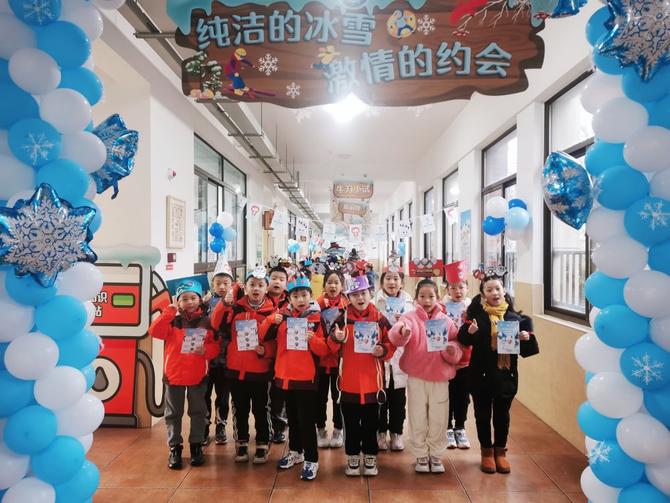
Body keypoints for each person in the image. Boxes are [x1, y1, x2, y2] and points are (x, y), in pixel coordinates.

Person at [458, 265, 539, 475]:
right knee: (482, 414)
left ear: (504, 291)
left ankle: (500, 452)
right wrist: (470, 331)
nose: (494, 293)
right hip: (480, 374)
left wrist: (526, 339)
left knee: (502, 415)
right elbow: (463, 340)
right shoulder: (475, 317)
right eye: (489, 290)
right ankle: (486, 452)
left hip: (505, 375)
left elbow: (528, 351)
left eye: (498, 289)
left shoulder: (517, 319)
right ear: (482, 295)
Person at [388, 279, 463, 474]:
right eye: (422, 296)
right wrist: (403, 332)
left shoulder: (445, 321)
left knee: (439, 417)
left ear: (438, 298)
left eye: (431, 296)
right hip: (416, 376)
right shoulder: (409, 317)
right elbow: (395, 335)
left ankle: (436, 454)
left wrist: (451, 350)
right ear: (416, 298)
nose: (427, 300)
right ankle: (421, 454)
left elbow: (456, 344)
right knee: (417, 415)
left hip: (440, 377)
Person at [260, 273, 329, 481]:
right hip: (285, 376)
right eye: (296, 296)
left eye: (304, 295)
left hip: (306, 379)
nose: (300, 299)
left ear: (310, 296)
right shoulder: (281, 317)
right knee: (292, 418)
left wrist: (313, 340)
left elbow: (325, 350)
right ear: (289, 298)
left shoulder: (317, 320)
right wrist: (270, 320)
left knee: (307, 421)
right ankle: (296, 451)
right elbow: (262, 336)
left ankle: (311, 459)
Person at [149, 280, 219, 470]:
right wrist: (169, 311)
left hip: (198, 376)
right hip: (174, 375)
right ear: (178, 301)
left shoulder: (207, 322)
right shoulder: (172, 320)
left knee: (198, 412)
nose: (189, 302)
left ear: (200, 299)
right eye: (184, 299)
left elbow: (215, 347)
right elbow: (154, 332)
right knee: (173, 414)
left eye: (193, 298)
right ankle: (175, 448)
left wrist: (205, 351)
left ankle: (196, 446)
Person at [329, 274, 395, 477]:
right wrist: (336, 338)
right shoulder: (341, 319)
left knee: (371, 424)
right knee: (350, 424)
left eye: (363, 293)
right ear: (348, 297)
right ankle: (352, 456)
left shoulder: (380, 319)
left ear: (370, 294)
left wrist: (383, 350)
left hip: (373, 384)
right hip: (348, 384)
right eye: (355, 294)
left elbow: (391, 342)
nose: (360, 298)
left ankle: (370, 456)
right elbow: (330, 348)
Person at [211, 266, 276, 465]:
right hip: (236, 369)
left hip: (260, 370)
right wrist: (224, 303)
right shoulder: (234, 308)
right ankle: (241, 442)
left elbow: (276, 342)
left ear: (266, 288)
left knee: (261, 409)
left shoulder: (273, 312)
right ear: (245, 287)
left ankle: (263, 442)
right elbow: (215, 323)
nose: (256, 289)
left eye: (260, 285)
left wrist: (266, 351)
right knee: (239, 409)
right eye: (252, 285)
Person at [373, 261, 413, 452]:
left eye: (396, 279)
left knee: (398, 399)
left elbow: (415, 329)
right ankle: (381, 432)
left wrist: (404, 323)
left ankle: (396, 432)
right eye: (388, 278)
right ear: (382, 282)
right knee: (380, 397)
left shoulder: (410, 303)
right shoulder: (374, 302)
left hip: (400, 357)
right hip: (380, 356)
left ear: (402, 283)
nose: (392, 282)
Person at [442, 260, 473, 450]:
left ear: (467, 288)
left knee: (462, 396)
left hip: (467, 360)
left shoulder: (473, 308)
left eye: (461, 287)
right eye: (453, 287)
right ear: (447, 290)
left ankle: (460, 427)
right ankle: (447, 427)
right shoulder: (441, 307)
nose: (457, 291)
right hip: (445, 359)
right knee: (446, 395)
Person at [315, 269, 348, 449]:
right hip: (320, 361)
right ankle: (320, 429)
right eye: (329, 282)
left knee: (338, 398)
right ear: (324, 285)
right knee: (319, 398)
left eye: (336, 282)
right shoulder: (316, 304)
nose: (333, 286)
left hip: (339, 361)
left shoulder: (347, 305)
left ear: (342, 286)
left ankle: (338, 429)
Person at [203, 262, 235, 446]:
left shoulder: (236, 303)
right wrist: (202, 304)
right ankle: (204, 427)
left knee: (223, 396)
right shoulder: (204, 303)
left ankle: (221, 425)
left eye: (226, 283)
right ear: (212, 285)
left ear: (232, 284)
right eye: (218, 283)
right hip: (206, 359)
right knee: (204, 395)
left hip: (226, 359)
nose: (222, 287)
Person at [267, 263, 290, 444]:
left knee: (280, 393)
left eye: (281, 279)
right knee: (267, 394)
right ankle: (267, 426)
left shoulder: (291, 300)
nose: (277, 282)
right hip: (265, 355)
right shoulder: (261, 299)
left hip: (285, 356)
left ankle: (279, 427)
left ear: (286, 283)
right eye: (274, 278)